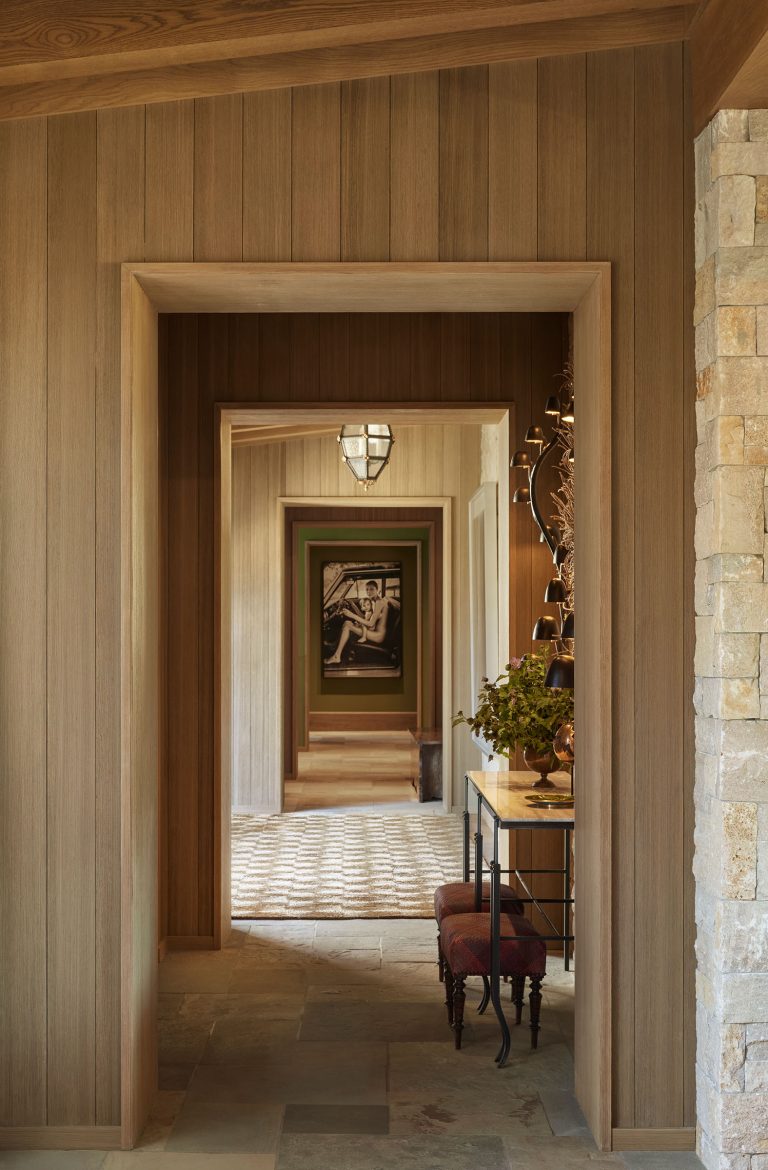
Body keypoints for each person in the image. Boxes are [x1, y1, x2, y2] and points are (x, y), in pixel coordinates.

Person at [325, 580, 389, 665]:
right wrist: (354, 606)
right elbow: (365, 619)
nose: (369, 592)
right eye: (367, 589)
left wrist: (352, 615)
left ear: (377, 589)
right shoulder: (374, 601)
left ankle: (337, 656)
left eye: (372, 589)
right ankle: (335, 646)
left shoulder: (379, 602)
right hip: (374, 631)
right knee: (347, 622)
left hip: (378, 635)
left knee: (348, 625)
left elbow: (370, 624)